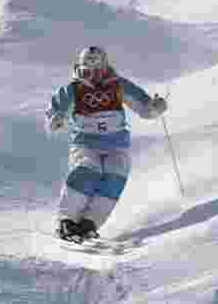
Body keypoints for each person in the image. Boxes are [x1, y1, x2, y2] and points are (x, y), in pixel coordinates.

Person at [46, 45, 168, 242]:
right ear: (80, 69)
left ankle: (90, 222)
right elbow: (56, 111)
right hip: (86, 143)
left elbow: (144, 108)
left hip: (116, 143)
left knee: (116, 175)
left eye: (98, 72)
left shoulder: (118, 86)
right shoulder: (73, 90)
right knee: (87, 170)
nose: (94, 78)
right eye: (88, 72)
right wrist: (56, 119)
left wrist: (155, 108)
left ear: (105, 68)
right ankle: (67, 220)